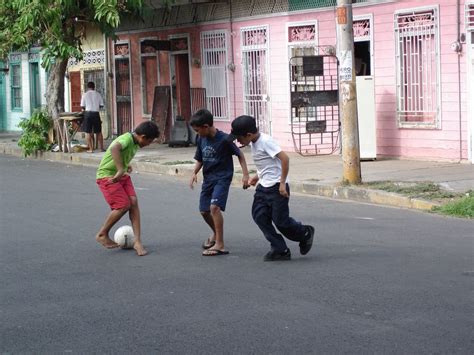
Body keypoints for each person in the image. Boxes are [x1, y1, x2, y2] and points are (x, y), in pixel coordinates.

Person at [228, 115, 315, 261]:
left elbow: (284, 158)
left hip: (276, 187)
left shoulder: (266, 141)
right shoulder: (254, 143)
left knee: (280, 221)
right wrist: (257, 176)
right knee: (259, 216)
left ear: (248, 135)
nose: (238, 141)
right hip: (264, 186)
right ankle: (279, 249)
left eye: (239, 138)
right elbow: (268, 163)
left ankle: (304, 233)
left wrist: (282, 183)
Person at [189, 109, 250, 256]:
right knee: (204, 211)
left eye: (198, 130)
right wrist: (194, 172)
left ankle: (220, 244)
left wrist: (245, 175)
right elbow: (200, 159)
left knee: (214, 208)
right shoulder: (201, 139)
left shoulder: (224, 139)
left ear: (206, 126)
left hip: (222, 178)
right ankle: (216, 234)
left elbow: (240, 155)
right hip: (208, 179)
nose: (197, 133)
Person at [95, 121, 160, 256]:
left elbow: (122, 153)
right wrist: (120, 169)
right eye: (149, 141)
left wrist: (125, 164)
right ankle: (102, 234)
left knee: (133, 202)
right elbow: (114, 148)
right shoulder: (126, 138)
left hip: (122, 176)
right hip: (107, 176)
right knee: (123, 205)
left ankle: (137, 241)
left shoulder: (134, 142)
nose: (148, 144)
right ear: (143, 136)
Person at [81, 81, 105, 153]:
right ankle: (101, 148)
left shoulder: (85, 94)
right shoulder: (98, 94)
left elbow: (82, 106)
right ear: (94, 87)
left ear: (87, 87)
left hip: (88, 114)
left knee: (88, 132)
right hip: (96, 114)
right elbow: (101, 105)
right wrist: (96, 107)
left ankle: (91, 149)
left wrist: (87, 109)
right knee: (99, 132)